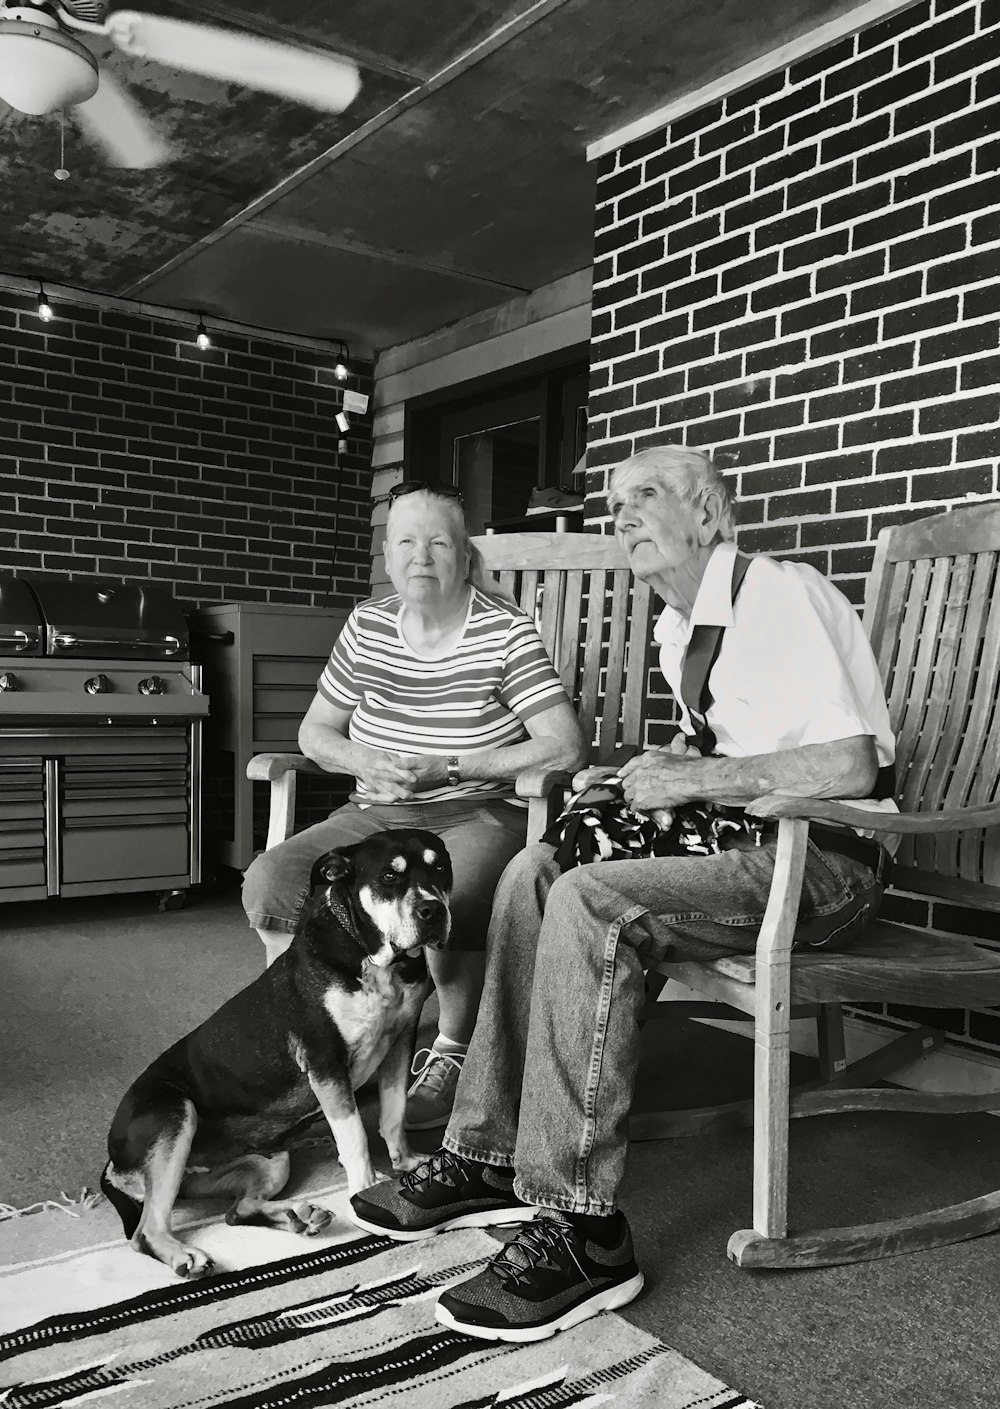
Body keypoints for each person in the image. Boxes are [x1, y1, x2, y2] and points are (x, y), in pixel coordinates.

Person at [350, 445, 897, 1342]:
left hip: (829, 864)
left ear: (712, 516)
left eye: (646, 495)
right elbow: (722, 766)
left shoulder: (779, 593)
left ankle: (584, 1227)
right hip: (748, 847)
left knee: (589, 899)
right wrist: (654, 776)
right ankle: (487, 1152)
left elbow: (850, 764)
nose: (622, 514)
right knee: (535, 873)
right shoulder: (678, 624)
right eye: (614, 501)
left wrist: (691, 780)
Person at [242, 481, 586, 1130]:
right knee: (273, 882)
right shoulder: (368, 625)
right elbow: (314, 732)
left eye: (437, 541)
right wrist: (360, 760)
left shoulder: (504, 630)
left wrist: (450, 766)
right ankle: (317, 1035)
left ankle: (452, 1048)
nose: (419, 555)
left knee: (456, 891)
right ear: (386, 553)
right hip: (374, 814)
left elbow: (563, 745)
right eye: (405, 541)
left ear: (465, 555)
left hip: (477, 810)